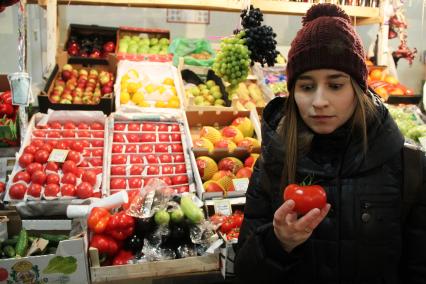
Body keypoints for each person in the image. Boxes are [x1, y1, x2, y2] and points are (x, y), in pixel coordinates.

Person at [234, 3, 426, 283]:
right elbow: (246, 273)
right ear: (293, 92)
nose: (319, 101)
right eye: (306, 86)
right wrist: (278, 244)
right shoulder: (273, 164)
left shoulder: (409, 169)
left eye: (336, 85)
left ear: (358, 90)